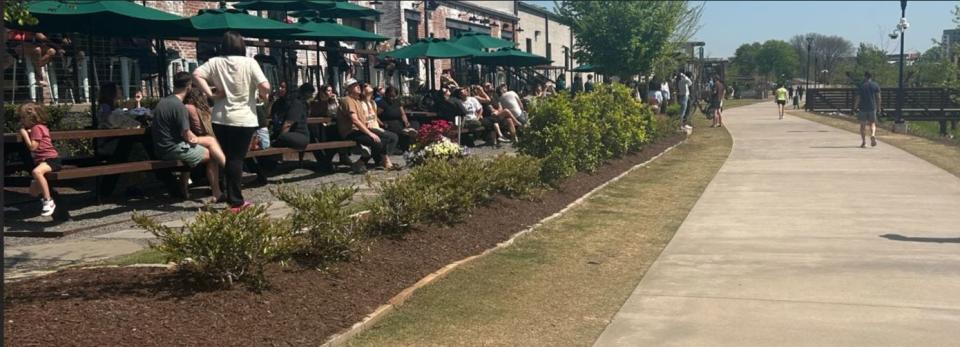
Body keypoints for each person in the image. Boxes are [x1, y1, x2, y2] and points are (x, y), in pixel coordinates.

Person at [192, 31, 271, 211]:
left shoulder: (215, 62)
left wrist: (211, 93)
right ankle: (235, 201)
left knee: (228, 158)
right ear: (242, 45)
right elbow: (265, 86)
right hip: (244, 118)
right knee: (236, 159)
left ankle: (230, 195)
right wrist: (264, 95)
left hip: (220, 117)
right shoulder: (250, 63)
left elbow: (196, 75)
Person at [152, 72, 225, 203]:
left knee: (210, 143)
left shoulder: (162, 102)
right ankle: (219, 189)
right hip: (173, 149)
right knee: (212, 153)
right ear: (189, 86)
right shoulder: (179, 106)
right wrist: (196, 140)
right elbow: (186, 134)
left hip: (161, 147)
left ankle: (185, 187)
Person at [338, 79, 400, 174]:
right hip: (351, 132)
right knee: (377, 142)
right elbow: (355, 120)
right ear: (349, 89)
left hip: (361, 130)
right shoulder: (347, 100)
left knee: (386, 138)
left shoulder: (357, 101)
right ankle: (366, 161)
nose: (358, 86)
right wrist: (370, 133)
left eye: (358, 84)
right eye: (354, 85)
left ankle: (362, 161)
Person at [18, 103, 61, 217]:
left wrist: (24, 134)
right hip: (42, 161)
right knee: (32, 192)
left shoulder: (37, 128)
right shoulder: (39, 128)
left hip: (51, 160)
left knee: (36, 172)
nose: (21, 121)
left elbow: (33, 147)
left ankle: (48, 201)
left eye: (23, 117)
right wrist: (29, 132)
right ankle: (38, 182)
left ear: (32, 118)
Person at [377, 86, 419, 151]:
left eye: (394, 96)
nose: (392, 98)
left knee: (415, 122)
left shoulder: (397, 102)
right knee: (397, 128)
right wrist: (382, 123)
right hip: (388, 122)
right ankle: (404, 138)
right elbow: (375, 115)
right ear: (386, 95)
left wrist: (406, 121)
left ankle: (410, 131)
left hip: (398, 121)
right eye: (390, 96)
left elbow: (403, 114)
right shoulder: (382, 103)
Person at [273, 83, 313, 151]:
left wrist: (280, 137)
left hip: (300, 137)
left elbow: (288, 124)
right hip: (299, 137)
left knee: (277, 138)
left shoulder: (296, 104)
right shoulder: (300, 103)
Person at [852, 71, 881, 148]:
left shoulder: (861, 86)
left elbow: (858, 98)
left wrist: (855, 107)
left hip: (862, 108)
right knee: (872, 123)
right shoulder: (875, 85)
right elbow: (878, 97)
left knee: (862, 126)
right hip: (872, 107)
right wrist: (879, 107)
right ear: (871, 77)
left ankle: (864, 142)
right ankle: (873, 135)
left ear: (865, 76)